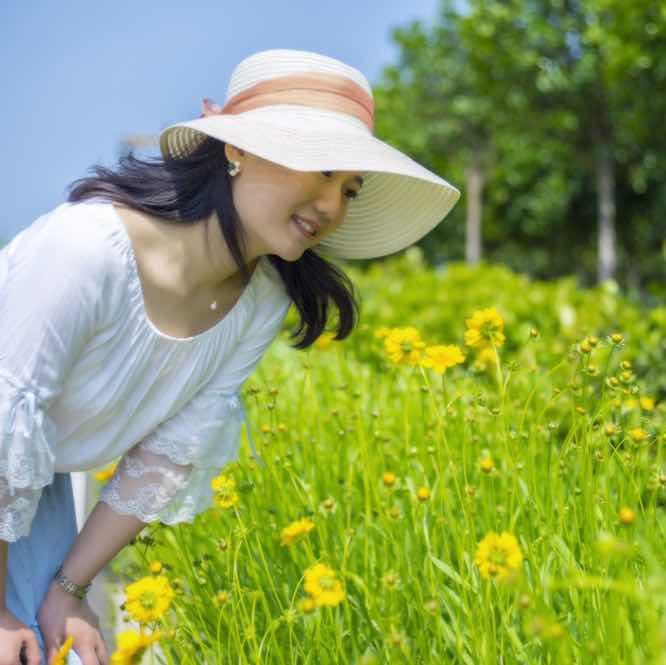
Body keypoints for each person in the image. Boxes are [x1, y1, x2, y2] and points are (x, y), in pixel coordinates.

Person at [0, 48, 460, 665]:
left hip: (31, 492)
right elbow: (6, 417)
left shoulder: (261, 299)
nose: (332, 207)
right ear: (235, 150)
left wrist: (68, 590)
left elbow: (171, 451)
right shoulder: (87, 249)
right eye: (320, 168)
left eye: (349, 189)